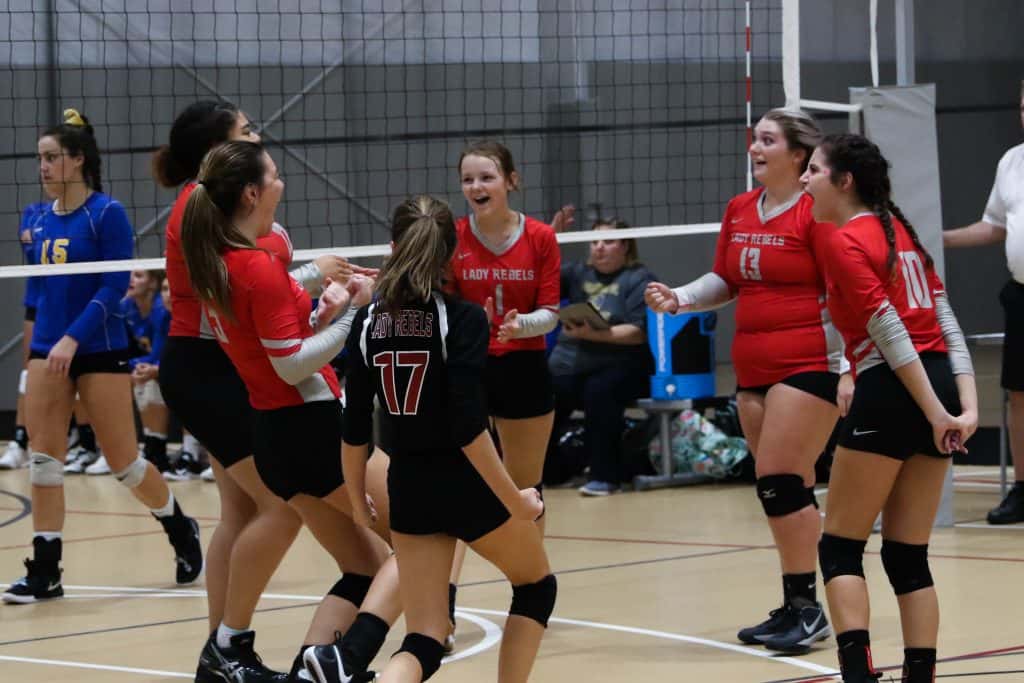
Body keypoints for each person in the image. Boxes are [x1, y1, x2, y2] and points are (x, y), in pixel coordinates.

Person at [155, 100, 383, 681]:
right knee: (281, 505)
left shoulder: (225, 222)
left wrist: (318, 293)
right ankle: (228, 646)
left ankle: (226, 650)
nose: (257, 138)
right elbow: (252, 291)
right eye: (246, 131)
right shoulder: (203, 215)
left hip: (234, 364)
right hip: (215, 368)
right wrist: (334, 298)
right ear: (221, 156)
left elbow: (260, 291)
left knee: (244, 511)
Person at [646, 109, 844, 653]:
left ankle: (810, 608)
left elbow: (843, 289)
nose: (754, 148)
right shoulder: (739, 208)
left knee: (781, 479)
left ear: (798, 155)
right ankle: (798, 604)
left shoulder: (815, 210)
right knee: (779, 487)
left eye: (767, 140)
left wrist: (848, 366)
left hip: (809, 361)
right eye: (754, 139)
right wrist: (680, 298)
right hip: (752, 366)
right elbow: (727, 279)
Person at [339, 194, 556, 683]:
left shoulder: (368, 323)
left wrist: (356, 502)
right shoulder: (462, 318)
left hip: (408, 484)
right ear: (450, 254)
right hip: (465, 483)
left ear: (393, 246)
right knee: (536, 587)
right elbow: (468, 428)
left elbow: (354, 426)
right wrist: (515, 500)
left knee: (425, 638)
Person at [2, 109, 202, 605]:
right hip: (48, 349)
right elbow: (36, 290)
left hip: (99, 346)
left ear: (77, 160)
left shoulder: (105, 213)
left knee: (125, 463)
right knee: (44, 461)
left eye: (52, 157)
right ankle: (45, 571)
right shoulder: (36, 218)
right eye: (40, 158)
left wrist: (73, 337)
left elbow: (114, 285)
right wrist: (35, 346)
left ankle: (179, 525)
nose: (43, 166)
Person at [801, 133, 977, 683]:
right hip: (938, 384)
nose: (804, 179)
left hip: (895, 389)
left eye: (813, 170)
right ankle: (919, 676)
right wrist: (964, 407)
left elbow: (890, 332)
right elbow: (946, 322)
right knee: (906, 554)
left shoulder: (845, 241)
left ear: (844, 181)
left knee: (839, 548)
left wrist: (936, 413)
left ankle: (858, 674)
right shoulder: (901, 232)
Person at [942, 81, 1024, 524]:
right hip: (1021, 294)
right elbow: (995, 226)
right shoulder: (1011, 161)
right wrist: (938, 238)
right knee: (1019, 395)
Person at [546, 218, 656, 495]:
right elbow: (542, 275)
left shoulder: (640, 278)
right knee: (542, 390)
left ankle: (605, 477)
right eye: (594, 242)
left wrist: (593, 334)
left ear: (625, 246)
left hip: (624, 365)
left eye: (608, 242)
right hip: (577, 365)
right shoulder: (577, 273)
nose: (599, 248)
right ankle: (552, 472)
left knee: (600, 391)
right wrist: (550, 237)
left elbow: (637, 333)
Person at [0, 202, 46, 469]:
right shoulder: (34, 211)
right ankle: (20, 442)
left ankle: (85, 442)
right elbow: (33, 252)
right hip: (39, 300)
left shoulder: (94, 208)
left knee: (80, 371)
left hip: (75, 299)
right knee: (30, 372)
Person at [122, 269, 174, 474]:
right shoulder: (126, 306)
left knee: (150, 380)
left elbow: (159, 354)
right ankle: (145, 447)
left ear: (152, 283)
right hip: (153, 363)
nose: (131, 280)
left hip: (168, 367)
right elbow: (124, 349)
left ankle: (160, 451)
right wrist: (133, 365)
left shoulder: (161, 310)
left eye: (138, 276)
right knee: (131, 378)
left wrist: (147, 367)